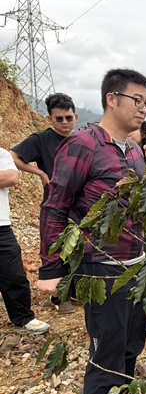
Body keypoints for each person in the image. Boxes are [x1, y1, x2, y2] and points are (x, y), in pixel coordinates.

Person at [36, 68, 146, 394]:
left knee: (130, 347)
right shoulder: (83, 143)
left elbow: (145, 206)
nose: (143, 109)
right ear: (112, 98)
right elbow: (55, 207)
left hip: (136, 265)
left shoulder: (135, 151)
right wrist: (50, 269)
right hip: (101, 267)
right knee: (106, 354)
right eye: (137, 100)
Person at [11, 93, 79, 314]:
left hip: (80, 204)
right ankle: (60, 296)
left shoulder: (83, 140)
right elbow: (13, 156)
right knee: (55, 247)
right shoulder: (40, 139)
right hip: (54, 204)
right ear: (49, 119)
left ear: (76, 117)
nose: (64, 122)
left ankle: (76, 289)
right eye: (59, 118)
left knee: (79, 245)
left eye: (68, 117)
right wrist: (40, 173)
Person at [0, 148, 50, 334]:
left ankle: (23, 318)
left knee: (14, 275)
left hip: (1, 226)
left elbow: (11, 177)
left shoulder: (2, 154)